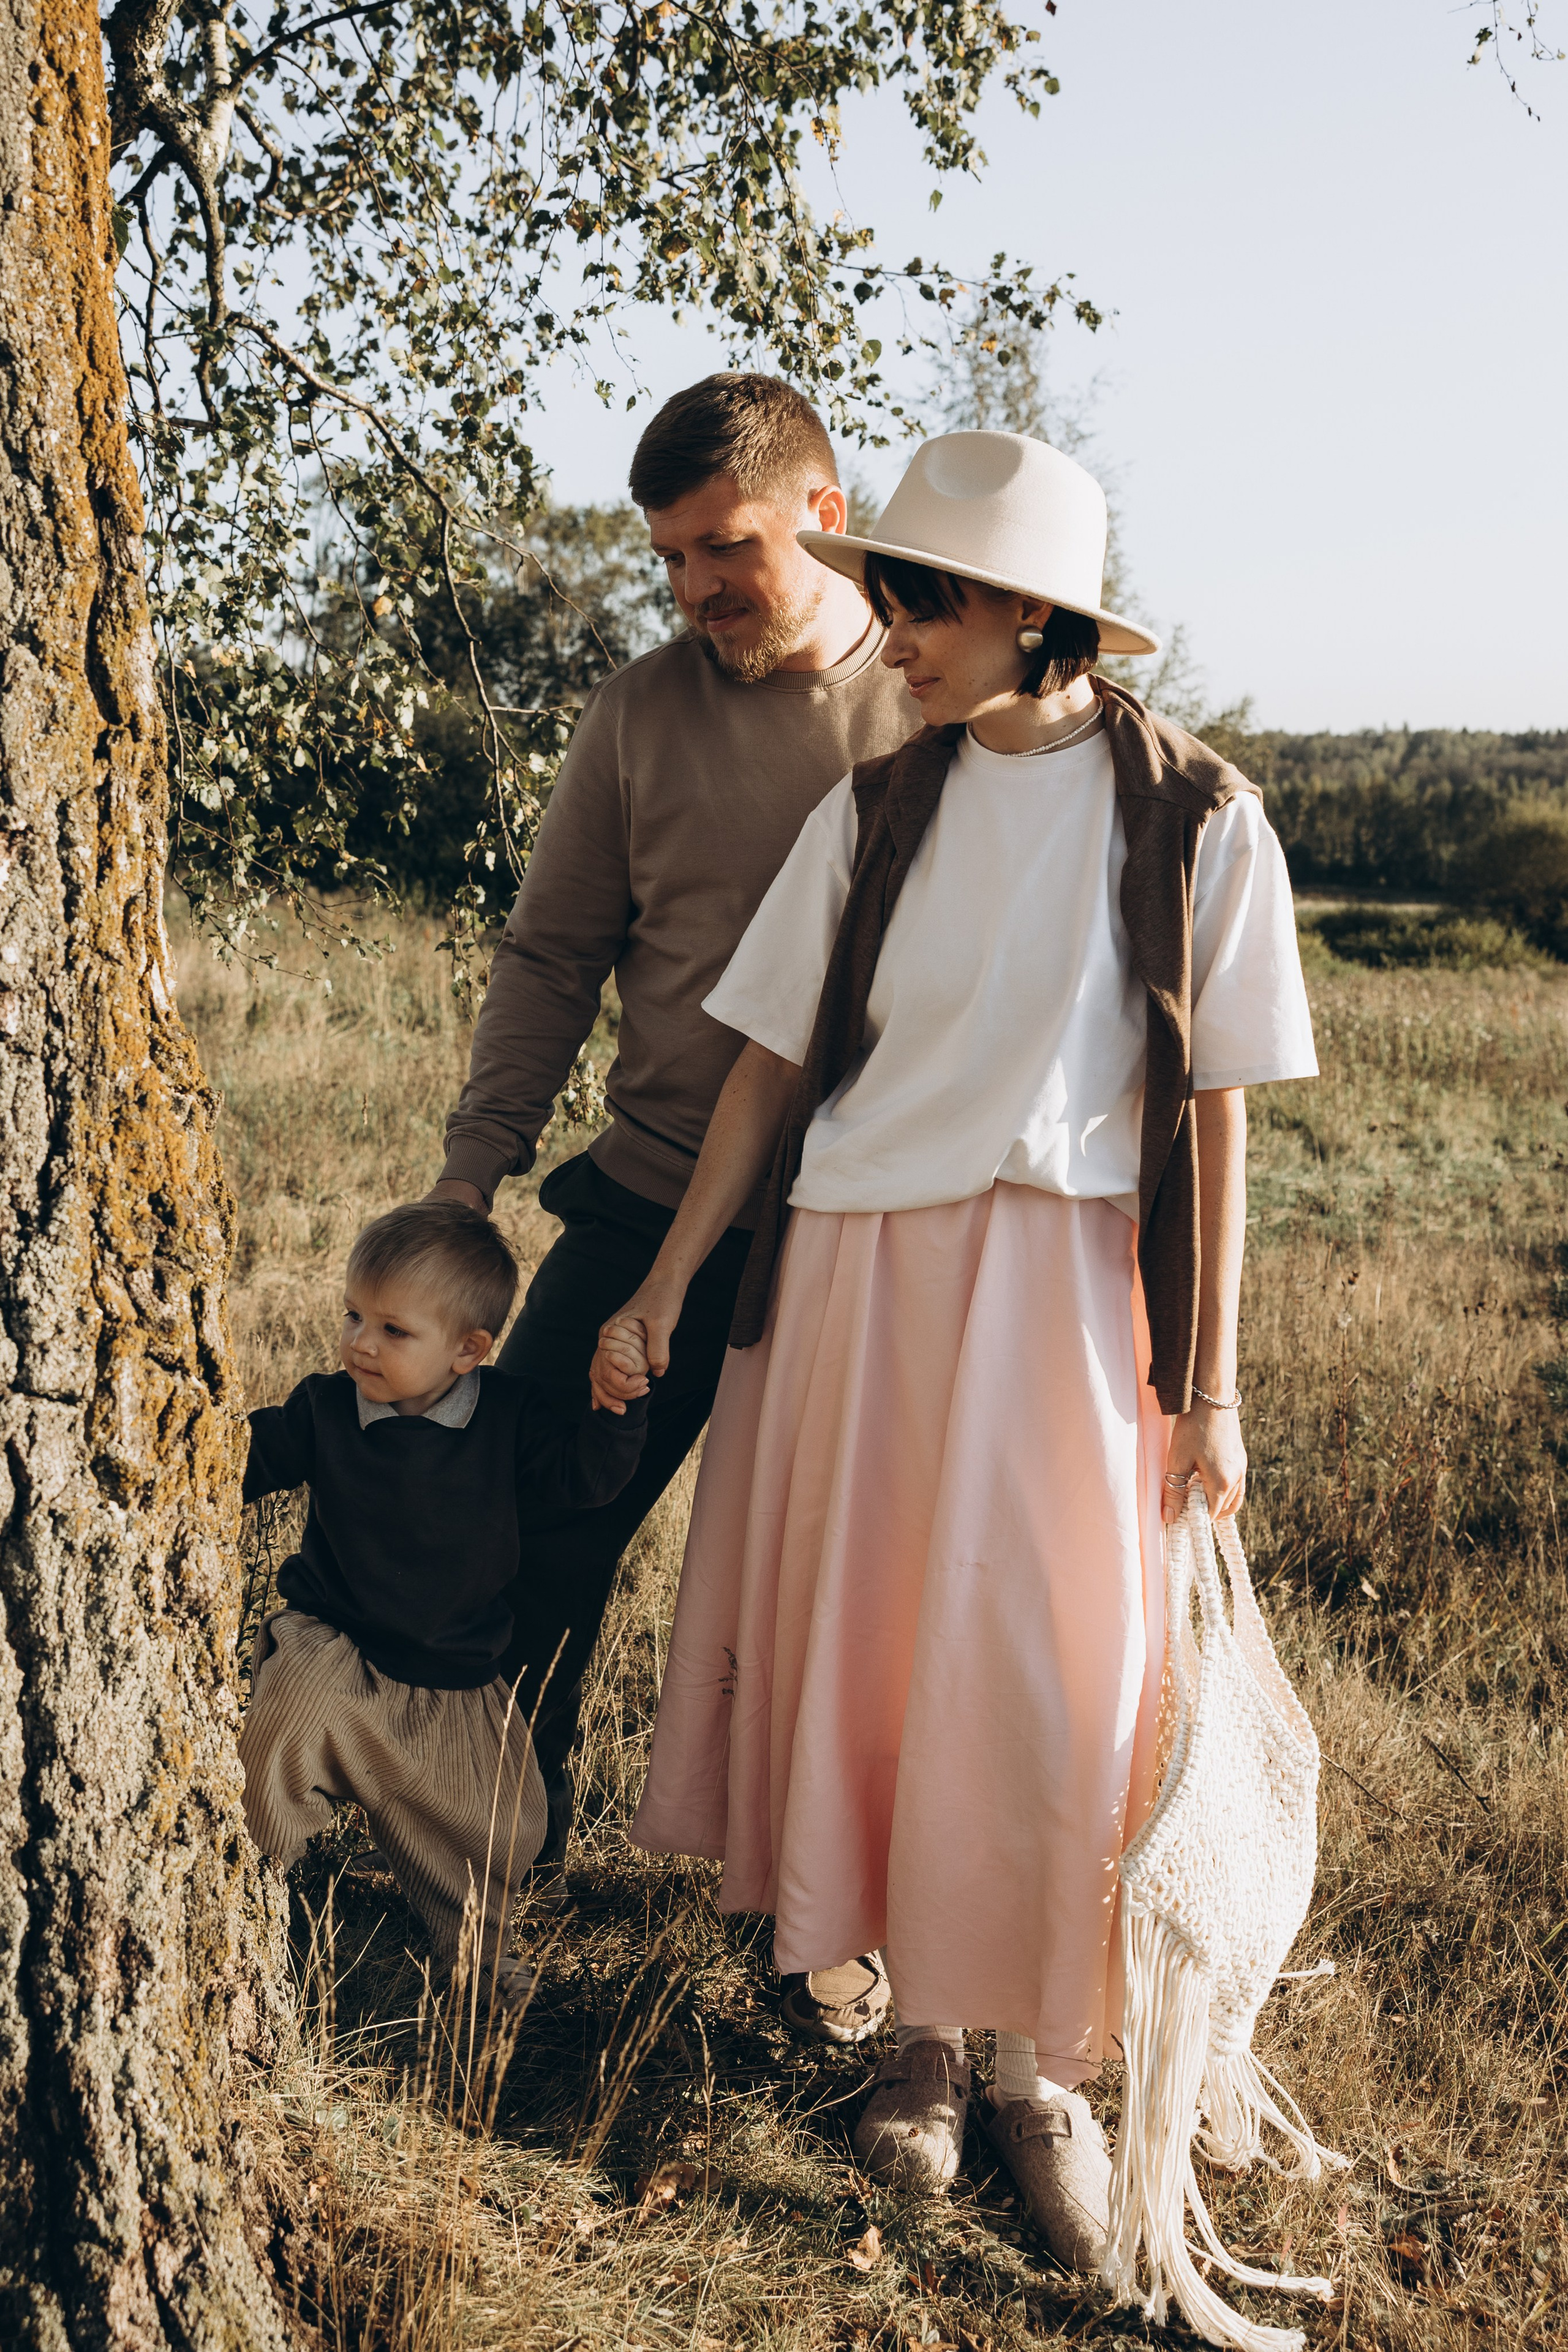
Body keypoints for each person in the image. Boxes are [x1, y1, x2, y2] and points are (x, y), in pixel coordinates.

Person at [590, 431, 1319, 2266]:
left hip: (1070, 1296)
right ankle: (919, 2040)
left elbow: (1218, 1113)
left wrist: (1211, 1384)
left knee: (1052, 1673)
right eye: (890, 597)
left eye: (920, 603)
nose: (890, 635)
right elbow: (767, 1068)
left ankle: (1036, 2067)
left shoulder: (1200, 817)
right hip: (859, 1279)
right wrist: (664, 1287)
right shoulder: (873, 810)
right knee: (891, 1653)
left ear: (1027, 614)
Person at [428, 372, 913, 2045]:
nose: (697, 589)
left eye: (728, 550)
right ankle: (481, 1871)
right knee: (522, 1530)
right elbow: (552, 953)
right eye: (672, 560)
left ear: (825, 519)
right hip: (647, 1208)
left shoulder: (940, 695)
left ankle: (818, 1937)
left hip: (869, 1232)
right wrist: (470, 1174)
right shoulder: (637, 713)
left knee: (833, 1595)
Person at [238, 1202, 649, 2009]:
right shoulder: (325, 1409)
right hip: (337, 1649)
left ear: (469, 1350)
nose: (361, 1343)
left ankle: (476, 1956)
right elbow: (244, 1459)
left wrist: (616, 1410)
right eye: (354, 1316)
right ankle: (249, 1882)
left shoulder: (508, 1417)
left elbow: (584, 1482)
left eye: (394, 1330)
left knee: (498, 1830)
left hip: (454, 1675)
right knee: (282, 1728)